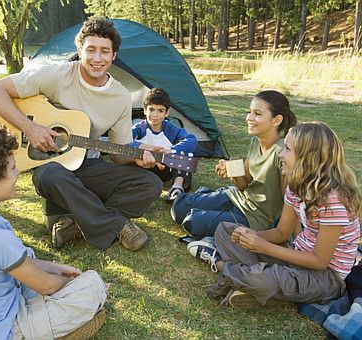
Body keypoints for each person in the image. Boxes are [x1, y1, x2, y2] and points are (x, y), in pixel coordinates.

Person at [0, 17, 162, 251]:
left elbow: (118, 154)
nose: (97, 58)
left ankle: (78, 223)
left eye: (105, 51)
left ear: (114, 55)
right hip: (50, 165)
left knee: (150, 184)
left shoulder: (120, 97)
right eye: (91, 50)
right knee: (49, 175)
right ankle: (116, 226)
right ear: (80, 50)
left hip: (88, 165)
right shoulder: (55, 75)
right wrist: (30, 128)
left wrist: (138, 155)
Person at [0, 122, 107, 339]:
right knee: (92, 286)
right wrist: (70, 284)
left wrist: (54, 266)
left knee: (27, 254)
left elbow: (13, 261)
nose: (18, 172)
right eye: (12, 168)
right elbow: (46, 285)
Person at [206, 122, 361, 307]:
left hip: (326, 277)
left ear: (308, 157)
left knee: (263, 281)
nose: (280, 154)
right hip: (296, 254)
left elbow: (320, 261)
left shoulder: (332, 200)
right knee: (226, 231)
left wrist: (264, 247)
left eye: (287, 149)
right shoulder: (296, 187)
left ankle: (228, 270)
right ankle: (250, 281)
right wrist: (253, 237)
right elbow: (281, 233)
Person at [171, 90, 297, 239]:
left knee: (192, 222)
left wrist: (294, 238)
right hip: (236, 197)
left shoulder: (283, 153)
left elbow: (290, 201)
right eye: (249, 112)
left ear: (276, 120)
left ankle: (207, 200)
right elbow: (244, 186)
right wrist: (233, 170)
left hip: (256, 218)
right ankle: (209, 199)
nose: (249, 118)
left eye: (257, 113)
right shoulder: (255, 142)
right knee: (179, 207)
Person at [132, 88, 197, 202]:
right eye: (151, 110)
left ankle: (177, 187)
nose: (155, 115)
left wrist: (170, 150)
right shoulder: (140, 127)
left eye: (160, 111)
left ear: (167, 113)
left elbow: (191, 140)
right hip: (144, 167)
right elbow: (125, 141)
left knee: (185, 155)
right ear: (145, 110)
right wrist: (146, 148)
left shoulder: (170, 128)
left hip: (165, 169)